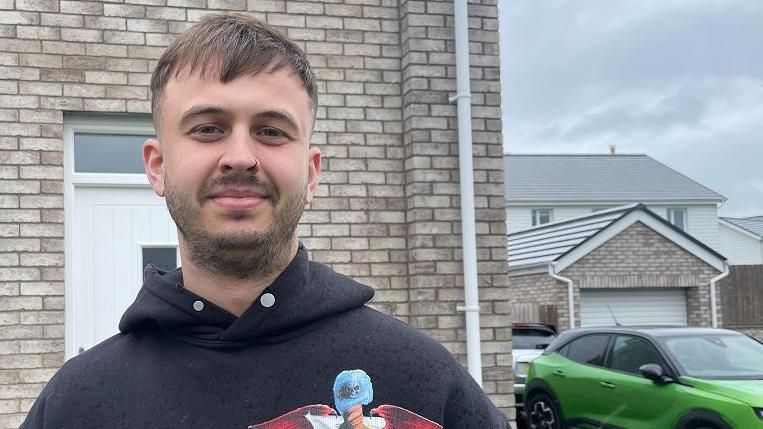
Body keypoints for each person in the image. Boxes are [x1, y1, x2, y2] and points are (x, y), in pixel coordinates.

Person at [21, 13, 509, 429]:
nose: (239, 157)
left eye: (271, 131)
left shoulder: (424, 381)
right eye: (208, 128)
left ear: (312, 172)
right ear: (157, 165)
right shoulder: (77, 402)